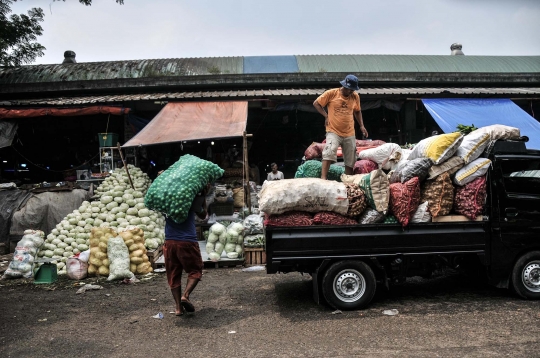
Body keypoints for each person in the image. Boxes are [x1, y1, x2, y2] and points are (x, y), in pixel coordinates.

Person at [163, 185, 208, 316]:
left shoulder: (166, 199)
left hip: (169, 241)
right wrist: (203, 197)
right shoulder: (190, 198)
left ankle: (178, 308)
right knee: (195, 270)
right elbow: (203, 215)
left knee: (173, 275)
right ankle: (186, 295)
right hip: (187, 241)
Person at [313, 74, 369, 179]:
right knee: (330, 150)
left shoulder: (355, 96)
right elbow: (316, 103)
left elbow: (357, 111)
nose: (351, 92)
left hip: (349, 132)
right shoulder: (331, 93)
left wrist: (362, 125)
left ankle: (347, 179)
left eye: (353, 90)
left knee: (350, 157)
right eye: (350, 89)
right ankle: (323, 178)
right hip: (333, 131)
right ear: (345, 86)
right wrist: (326, 116)